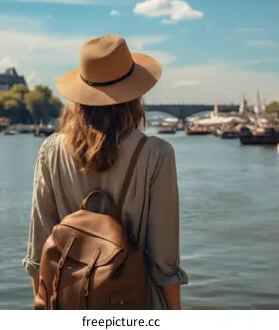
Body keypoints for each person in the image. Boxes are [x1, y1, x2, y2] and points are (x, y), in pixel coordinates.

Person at [22, 34, 188, 310]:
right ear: (135, 94)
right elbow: (164, 257)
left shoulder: (51, 150)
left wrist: (44, 306)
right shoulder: (156, 153)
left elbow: (39, 247)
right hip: (134, 301)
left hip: (68, 301)